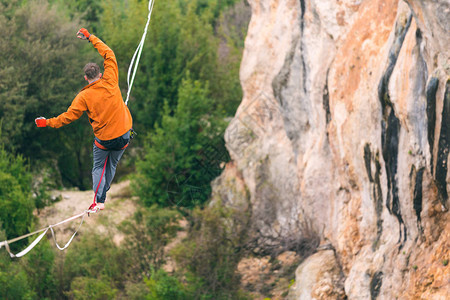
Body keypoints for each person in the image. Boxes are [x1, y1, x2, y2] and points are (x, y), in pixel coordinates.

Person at [35, 28, 133, 211]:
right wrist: (90, 37)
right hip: (124, 134)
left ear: (85, 78)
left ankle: (99, 200)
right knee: (112, 164)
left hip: (105, 139)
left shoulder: (83, 97)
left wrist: (46, 122)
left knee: (98, 167)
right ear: (100, 74)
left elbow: (67, 117)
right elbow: (108, 53)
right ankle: (103, 195)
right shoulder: (110, 78)